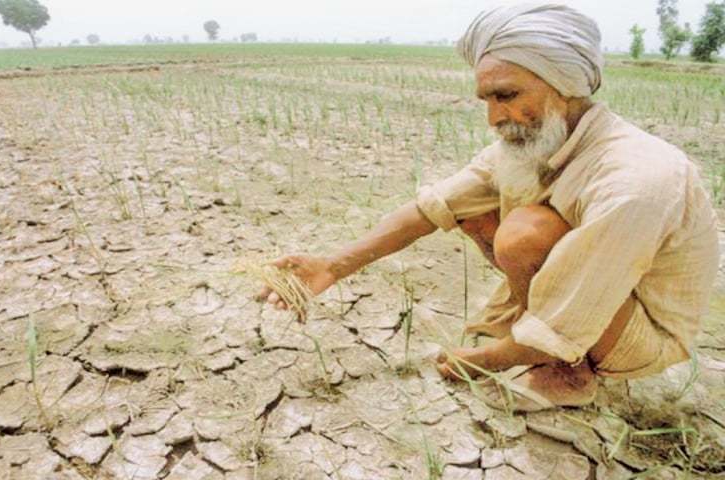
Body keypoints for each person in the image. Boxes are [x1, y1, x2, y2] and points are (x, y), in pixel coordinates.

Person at [258, 3, 719, 411]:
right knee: (475, 210)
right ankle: (533, 331)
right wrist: (333, 267)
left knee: (524, 233)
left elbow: (586, 296)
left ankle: (568, 370)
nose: (495, 118)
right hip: (594, 296)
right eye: (488, 99)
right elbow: (433, 207)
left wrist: (483, 361)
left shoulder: (636, 178)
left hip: (640, 335)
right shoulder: (536, 141)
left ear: (565, 84)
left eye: (508, 95)